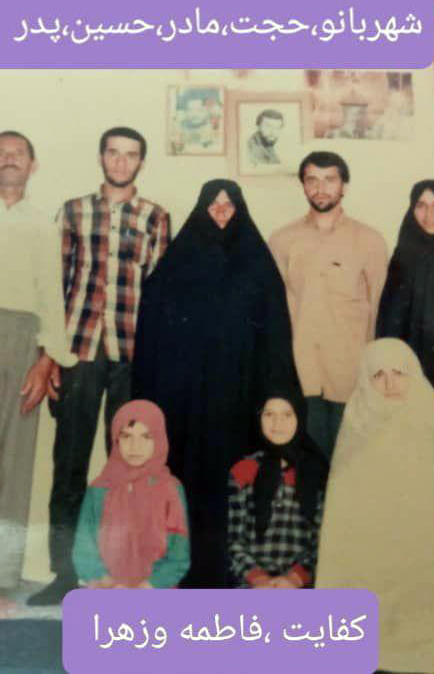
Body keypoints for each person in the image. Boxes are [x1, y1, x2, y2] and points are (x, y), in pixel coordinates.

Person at [132, 179, 301, 588]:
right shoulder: (176, 266)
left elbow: (276, 337)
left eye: (229, 204)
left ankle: (239, 572)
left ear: (240, 210)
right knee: (186, 483)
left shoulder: (258, 266)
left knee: (238, 483)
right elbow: (152, 332)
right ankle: (185, 572)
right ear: (200, 210)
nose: (222, 211)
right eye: (214, 204)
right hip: (187, 404)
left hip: (240, 402)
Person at [29, 127, 171, 605]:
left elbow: (160, 292)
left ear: (141, 162)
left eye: (131, 155)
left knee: (130, 467)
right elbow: (55, 287)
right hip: (80, 351)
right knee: (69, 463)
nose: (121, 162)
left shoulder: (155, 217)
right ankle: (64, 572)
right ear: (101, 157)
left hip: (132, 354)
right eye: (114, 153)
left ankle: (125, 570)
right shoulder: (72, 211)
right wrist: (48, 356)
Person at [315, 339, 434, 673]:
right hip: (373, 561)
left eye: (399, 373)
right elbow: (344, 520)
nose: (390, 384)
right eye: (378, 375)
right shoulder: (357, 430)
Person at [269, 151, 388, 460]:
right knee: (306, 465)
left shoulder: (369, 241)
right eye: (312, 180)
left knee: (350, 463)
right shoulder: (282, 241)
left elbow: (379, 308)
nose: (320, 188)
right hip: (301, 372)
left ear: (344, 186)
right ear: (303, 185)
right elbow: (274, 311)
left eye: (329, 180)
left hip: (351, 374)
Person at [0, 131, 76, 597]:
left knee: (14, 462)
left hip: (22, 340)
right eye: (1, 153)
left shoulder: (44, 226)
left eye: (17, 153)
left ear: (33, 165)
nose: (8, 159)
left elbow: (52, 296)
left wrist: (46, 359)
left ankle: (2, 579)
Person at [73, 400, 190, 589]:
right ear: (116, 440)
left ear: (159, 440)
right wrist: (106, 582)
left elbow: (178, 558)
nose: (135, 446)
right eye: (127, 436)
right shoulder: (99, 489)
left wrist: (145, 588)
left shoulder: (171, 490)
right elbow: (84, 549)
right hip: (106, 589)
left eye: (146, 437)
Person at [228, 394, 327, 589]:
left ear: (300, 418)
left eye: (287, 415)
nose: (277, 423)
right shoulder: (243, 470)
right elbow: (231, 539)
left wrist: (294, 579)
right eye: (269, 414)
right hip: (251, 586)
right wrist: (258, 579)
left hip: (303, 585)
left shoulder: (317, 472)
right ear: (259, 418)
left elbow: (324, 541)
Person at [377, 180, 434, 386]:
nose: (429, 215)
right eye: (421, 206)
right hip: (408, 366)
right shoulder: (403, 256)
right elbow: (389, 316)